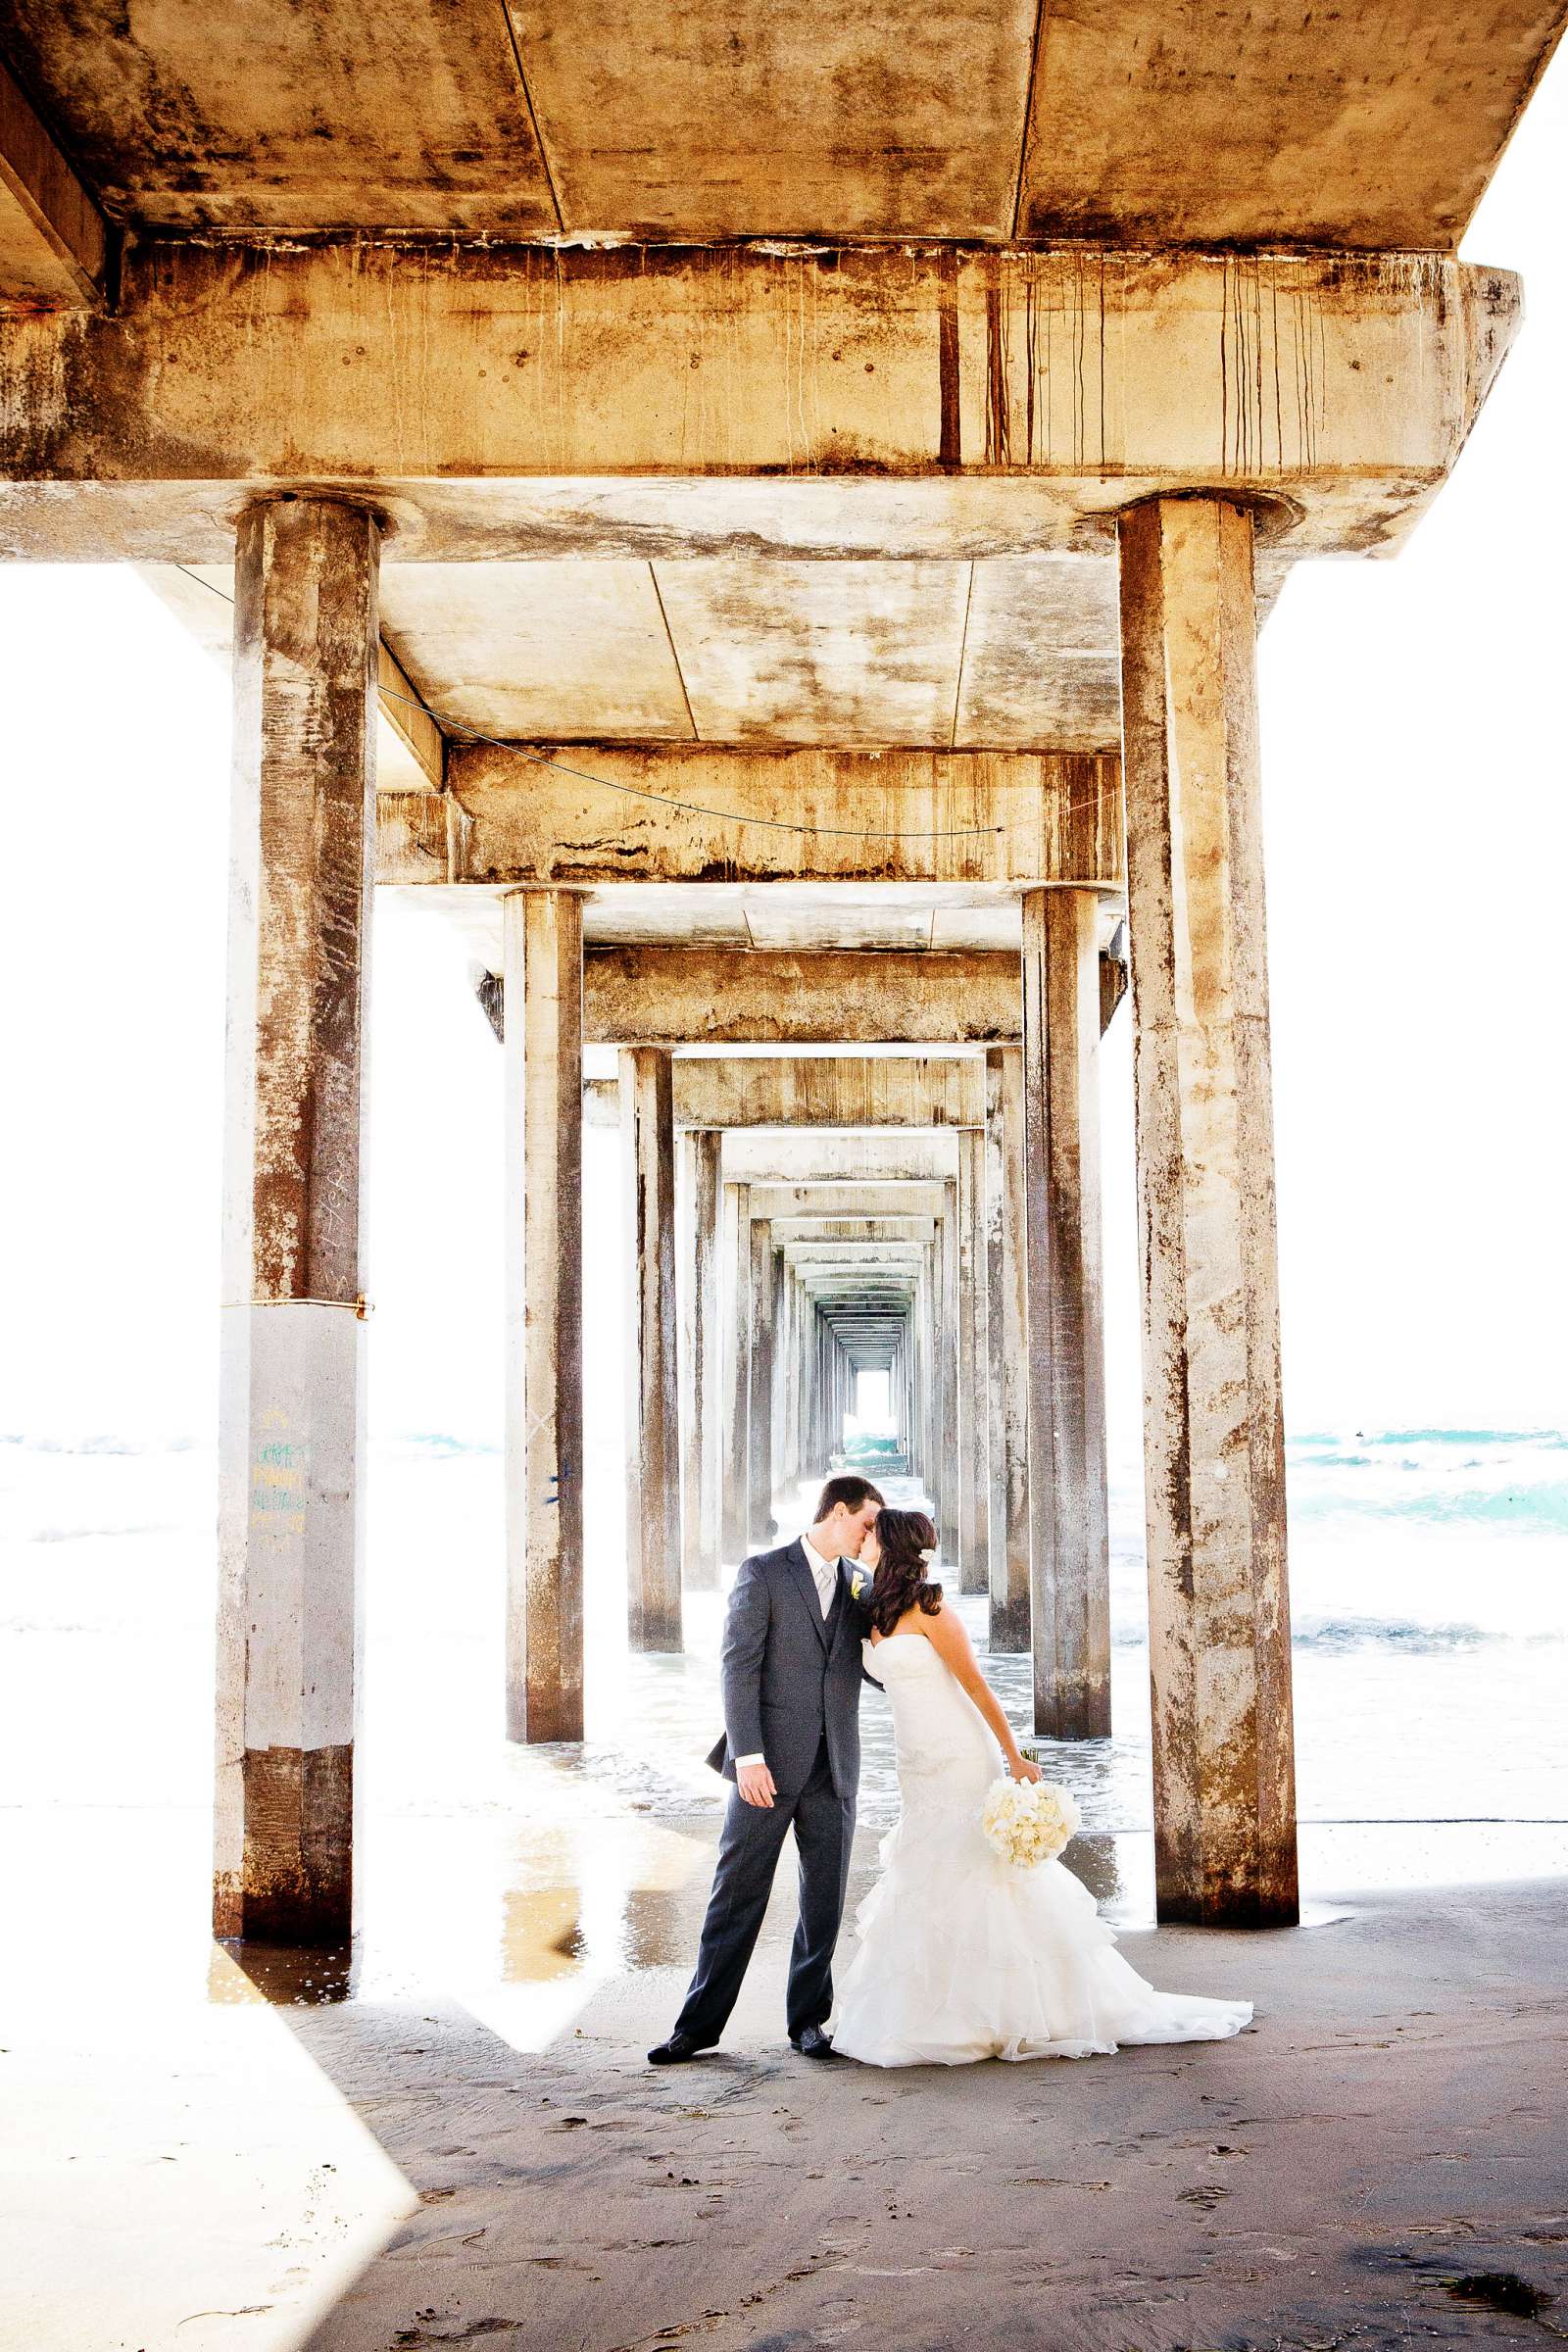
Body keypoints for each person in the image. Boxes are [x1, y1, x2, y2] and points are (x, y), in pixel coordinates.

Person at [829, 1506, 1253, 2067]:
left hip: (960, 1754)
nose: (862, 1538)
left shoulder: (931, 1607)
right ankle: (930, 2007)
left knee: (980, 1872)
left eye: (871, 1534)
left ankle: (1012, 2009)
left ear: (891, 1545)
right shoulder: (873, 1609)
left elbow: (976, 1688)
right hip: (915, 1763)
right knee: (925, 1869)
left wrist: (1013, 1758)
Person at [647, 1475, 883, 2065]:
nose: (869, 1533)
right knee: (736, 1894)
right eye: (866, 1522)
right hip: (767, 1767)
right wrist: (746, 1756)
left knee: (823, 1898)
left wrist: (899, 1599)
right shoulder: (764, 1573)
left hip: (836, 1767)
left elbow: (880, 1670)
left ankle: (808, 2022)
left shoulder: (860, 1584)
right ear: (836, 1512)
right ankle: (696, 2027)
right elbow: (738, 1669)